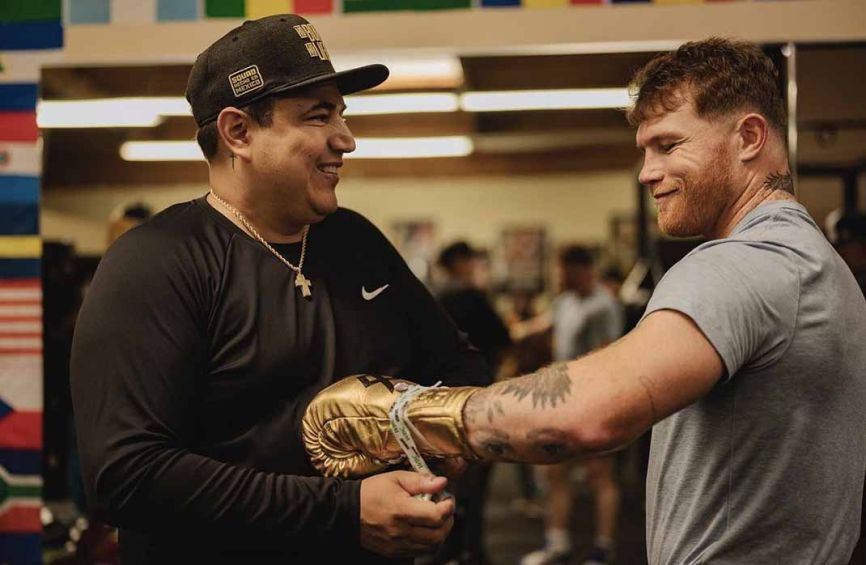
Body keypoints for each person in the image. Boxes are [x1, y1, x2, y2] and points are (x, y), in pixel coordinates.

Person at [303, 38, 866, 563]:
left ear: (749, 138)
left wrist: (401, 414)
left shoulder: (741, 265)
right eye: (644, 149)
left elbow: (582, 417)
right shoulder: (817, 264)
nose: (648, 172)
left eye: (669, 145)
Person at [70, 14, 491, 564]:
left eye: (342, 113)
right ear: (238, 132)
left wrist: (424, 429)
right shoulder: (156, 261)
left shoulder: (355, 240)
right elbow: (125, 473)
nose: (346, 139)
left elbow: (460, 369)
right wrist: (342, 510)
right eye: (319, 116)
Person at [521, 246, 623, 565]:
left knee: (599, 475)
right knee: (555, 472)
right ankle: (557, 542)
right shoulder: (564, 301)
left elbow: (607, 353)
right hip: (563, 398)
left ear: (583, 269)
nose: (561, 277)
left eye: (566, 271)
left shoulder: (603, 305)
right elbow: (544, 325)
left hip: (596, 398)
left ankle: (602, 548)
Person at [434, 240, 512, 564]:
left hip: (438, 401)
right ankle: (471, 552)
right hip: (475, 399)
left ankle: (448, 550)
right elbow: (502, 338)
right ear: (462, 262)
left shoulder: (434, 295)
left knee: (444, 479)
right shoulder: (470, 296)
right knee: (473, 485)